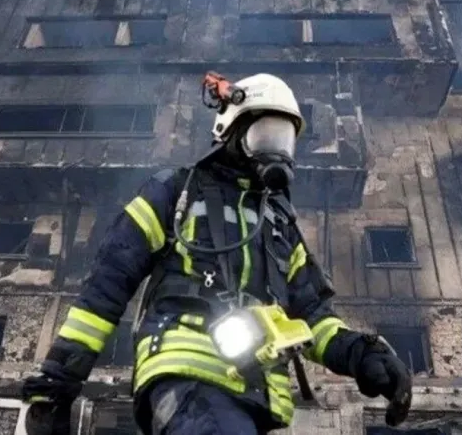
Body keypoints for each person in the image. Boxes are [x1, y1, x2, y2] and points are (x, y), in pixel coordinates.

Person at [21, 73, 413, 435]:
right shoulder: (177, 194)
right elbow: (104, 289)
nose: (275, 152)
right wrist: (58, 382)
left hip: (253, 394)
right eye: (265, 136)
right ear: (231, 129)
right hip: (187, 371)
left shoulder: (279, 225)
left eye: (284, 140)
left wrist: (362, 355)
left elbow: (311, 318)